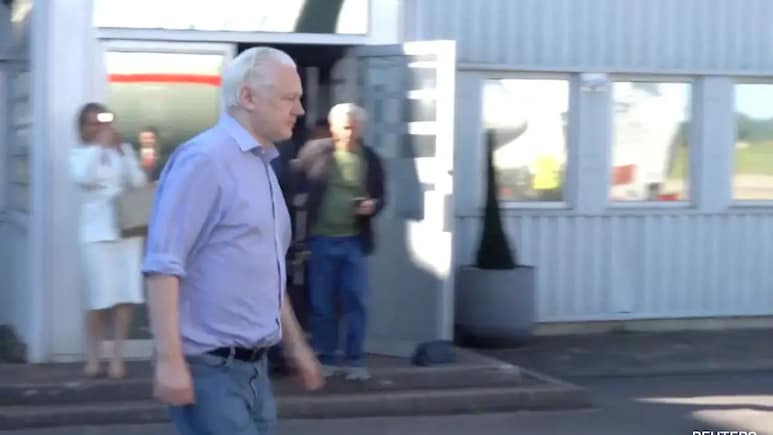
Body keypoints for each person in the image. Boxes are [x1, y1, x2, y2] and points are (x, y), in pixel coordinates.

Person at [142, 46, 323, 435]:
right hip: (210, 371)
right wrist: (169, 361)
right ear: (247, 97)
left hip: (254, 371)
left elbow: (267, 270)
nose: (299, 110)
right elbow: (163, 265)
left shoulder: (262, 165)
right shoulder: (204, 160)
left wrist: (295, 345)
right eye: (289, 98)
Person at [292, 103, 386, 381]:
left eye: (355, 126)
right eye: (345, 126)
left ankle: (355, 360)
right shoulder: (315, 152)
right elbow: (294, 179)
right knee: (321, 302)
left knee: (355, 301)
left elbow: (381, 195)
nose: (350, 131)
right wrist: (300, 201)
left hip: (354, 240)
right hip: (321, 239)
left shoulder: (370, 158)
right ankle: (326, 357)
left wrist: (373, 205)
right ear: (333, 128)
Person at [69, 103, 148, 379]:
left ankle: (117, 357)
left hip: (126, 231)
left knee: (125, 294)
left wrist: (122, 153)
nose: (100, 128)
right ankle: (94, 357)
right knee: (98, 297)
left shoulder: (122, 151)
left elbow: (138, 182)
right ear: (83, 129)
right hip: (96, 233)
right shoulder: (79, 154)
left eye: (103, 122)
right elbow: (84, 177)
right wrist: (100, 148)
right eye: (93, 123)